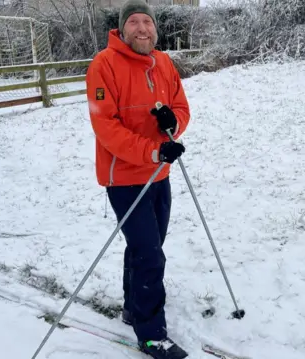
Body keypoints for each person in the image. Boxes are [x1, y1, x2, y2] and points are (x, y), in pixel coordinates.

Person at [85, 0, 189, 358]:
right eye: (134, 22)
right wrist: (152, 150)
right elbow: (106, 127)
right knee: (149, 254)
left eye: (147, 21)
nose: (142, 28)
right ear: (121, 28)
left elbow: (181, 105)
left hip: (160, 173)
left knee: (149, 245)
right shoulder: (103, 65)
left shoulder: (163, 62)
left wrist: (171, 124)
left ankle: (133, 306)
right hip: (125, 178)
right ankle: (151, 334)